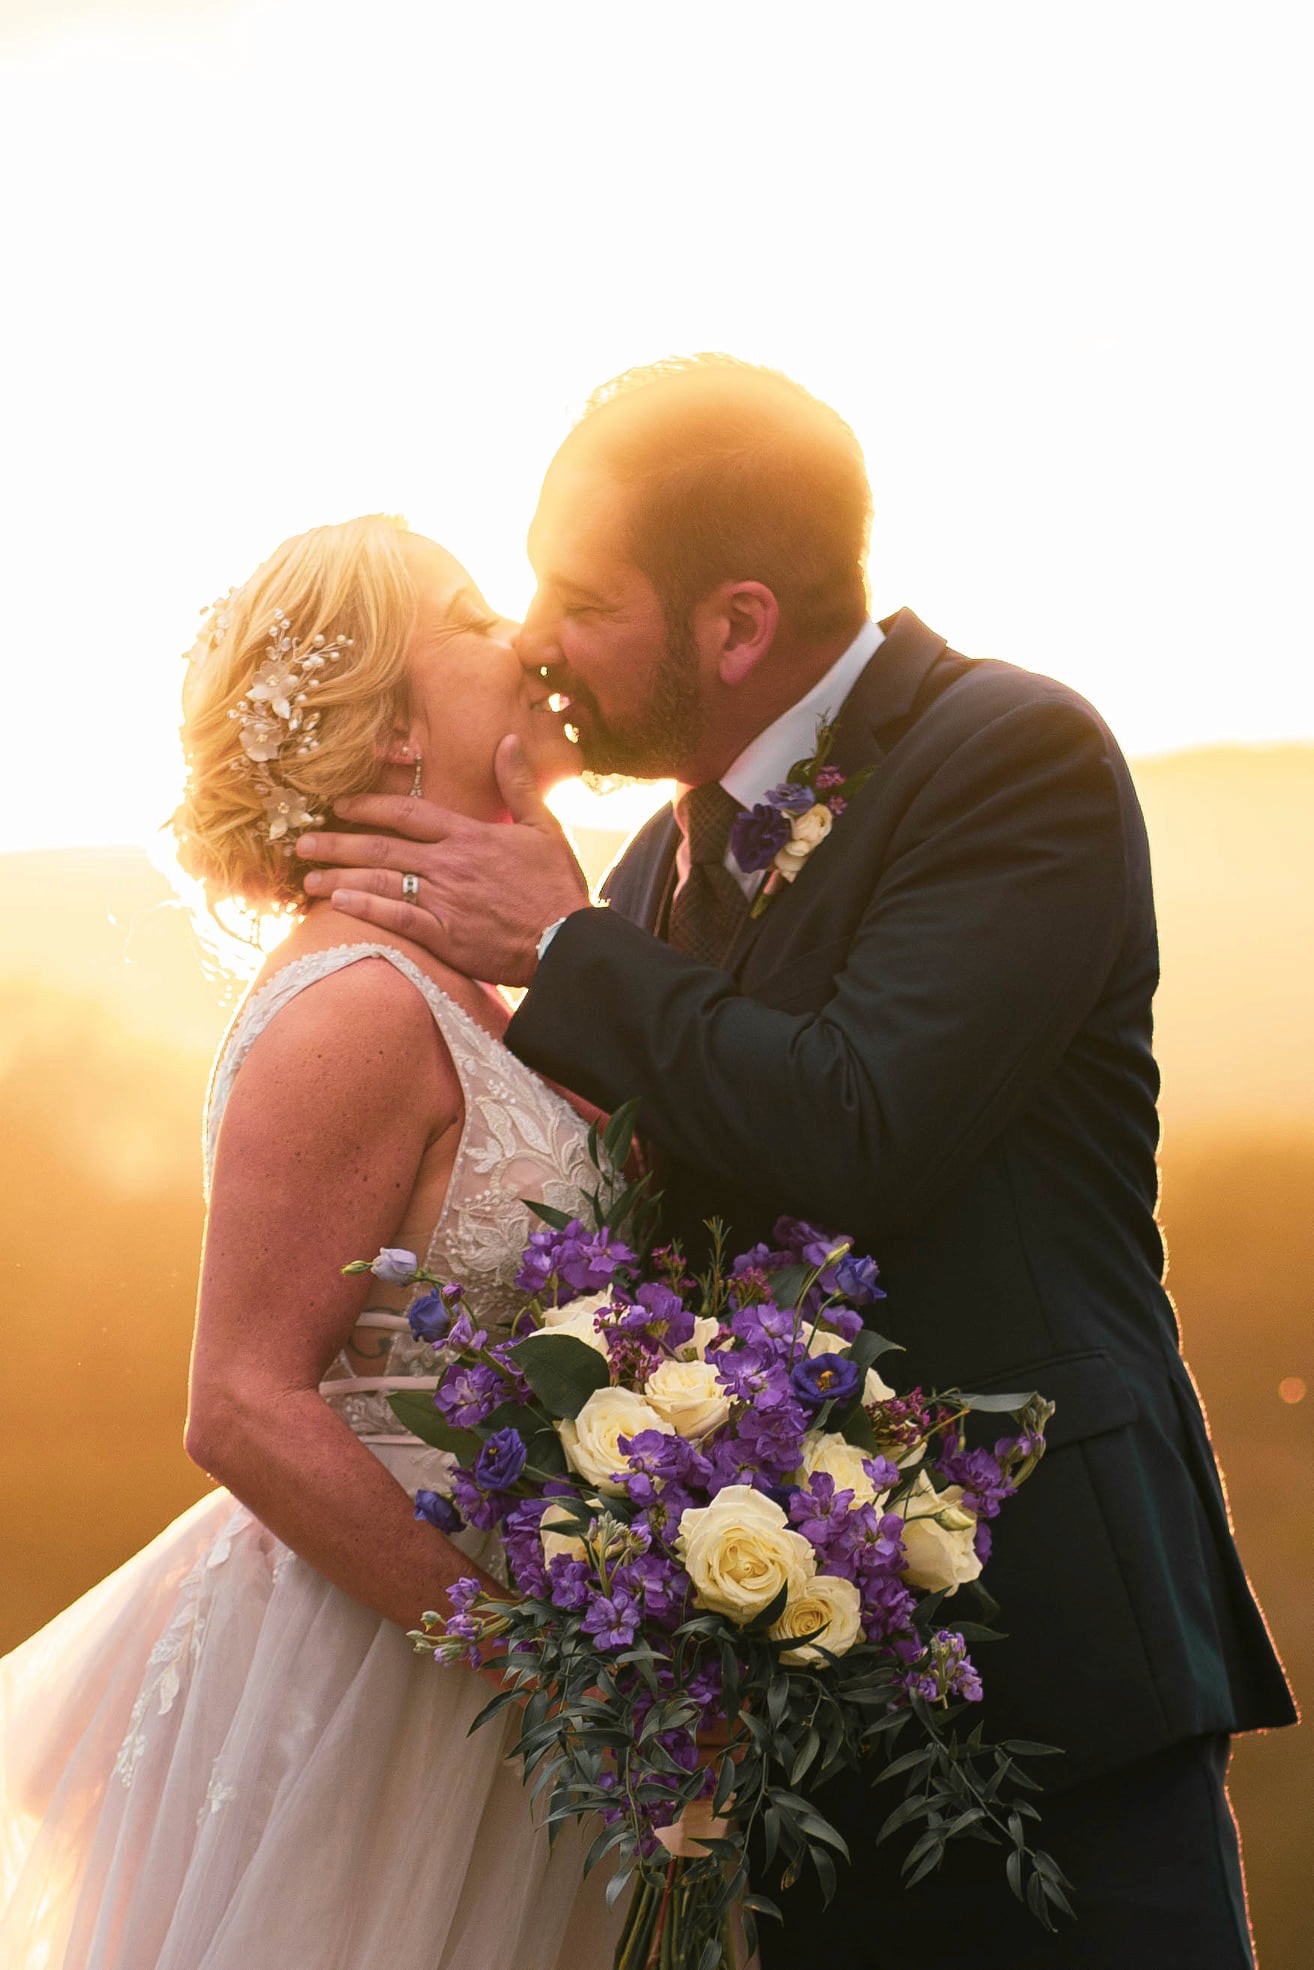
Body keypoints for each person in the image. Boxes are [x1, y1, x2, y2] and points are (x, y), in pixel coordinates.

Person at [303, 356, 1298, 1969]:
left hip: (1043, 1663)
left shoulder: (1012, 756)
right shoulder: (644, 867)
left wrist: (557, 946)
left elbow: (861, 1122)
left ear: (737, 625)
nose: (537, 644)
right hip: (769, 1712)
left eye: (579, 598)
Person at [0, 515, 621, 1970]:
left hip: (511, 1653)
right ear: (392, 722)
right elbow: (242, 1404)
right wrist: (529, 1658)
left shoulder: (462, 980)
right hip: (390, 1679)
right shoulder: (353, 1007)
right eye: (471, 614)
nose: (522, 636)